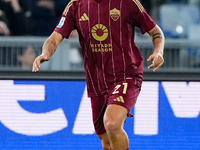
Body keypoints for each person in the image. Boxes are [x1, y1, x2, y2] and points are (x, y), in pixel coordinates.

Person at [32, 0, 165, 149]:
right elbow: (55, 37)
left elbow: (155, 31)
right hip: (96, 82)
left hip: (126, 74)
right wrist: (46, 53)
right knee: (106, 139)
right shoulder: (76, 5)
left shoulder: (127, 3)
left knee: (112, 123)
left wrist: (158, 51)